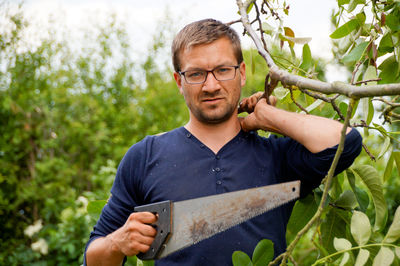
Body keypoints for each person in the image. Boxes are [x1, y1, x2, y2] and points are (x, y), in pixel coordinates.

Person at [84, 18, 362, 265]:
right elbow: (93, 258)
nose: (211, 85)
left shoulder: (277, 157)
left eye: (222, 70)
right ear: (178, 82)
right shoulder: (145, 156)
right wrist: (117, 243)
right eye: (196, 74)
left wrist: (267, 116)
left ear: (241, 73)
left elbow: (346, 141)